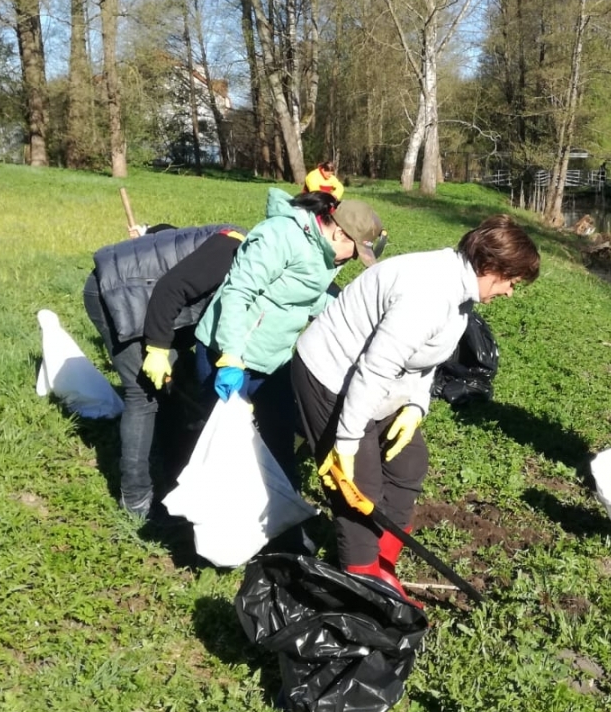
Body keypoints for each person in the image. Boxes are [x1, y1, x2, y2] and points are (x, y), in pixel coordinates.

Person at [291, 214, 540, 603]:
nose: (510, 292)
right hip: (332, 373)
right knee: (359, 489)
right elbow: (375, 368)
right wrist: (347, 440)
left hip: (379, 382)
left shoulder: (457, 295)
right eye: (512, 282)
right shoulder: (428, 292)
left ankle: (383, 569)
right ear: (490, 267)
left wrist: (415, 406)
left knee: (409, 463)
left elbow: (423, 359)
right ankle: (364, 593)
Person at [193, 190, 387, 485]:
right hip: (230, 354)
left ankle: (285, 514)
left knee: (280, 436)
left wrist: (361, 320)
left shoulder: (325, 255)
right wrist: (231, 357)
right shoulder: (280, 236)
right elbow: (237, 293)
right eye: (356, 252)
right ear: (340, 234)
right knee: (225, 445)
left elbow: (308, 297)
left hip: (274, 359)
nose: (351, 261)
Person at [84, 222, 245, 518]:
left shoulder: (253, 250)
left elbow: (169, 235)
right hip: (117, 292)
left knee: (171, 385)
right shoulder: (231, 251)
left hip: (149, 295)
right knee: (142, 395)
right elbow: (170, 289)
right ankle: (135, 498)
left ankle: (174, 471)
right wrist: (157, 348)